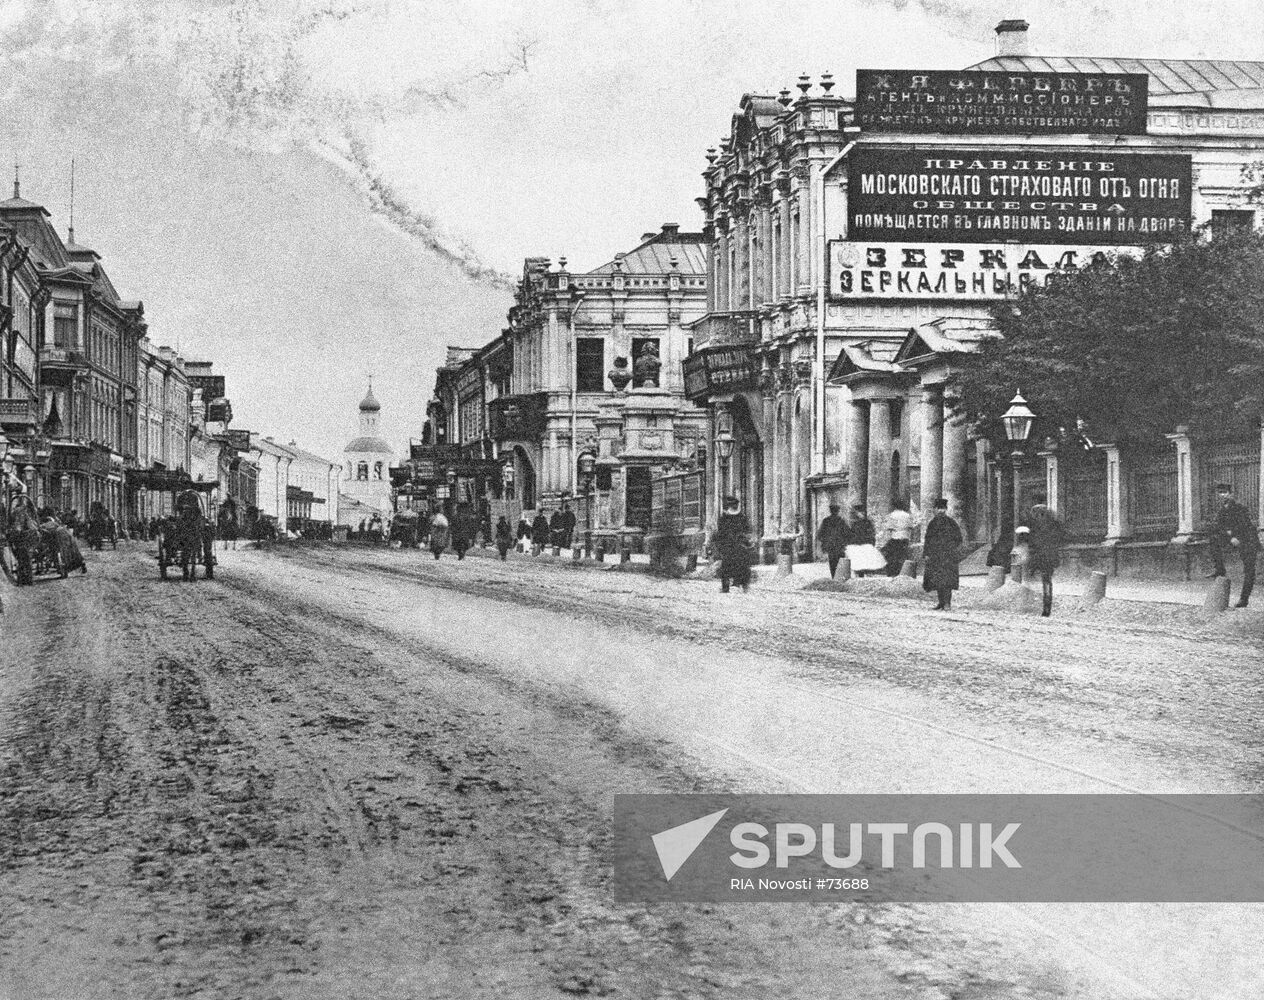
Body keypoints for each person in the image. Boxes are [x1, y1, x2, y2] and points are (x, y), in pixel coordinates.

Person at [1209, 483, 1258, 608]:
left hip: (1248, 541)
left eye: (1225, 492)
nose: (1222, 495)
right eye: (1220, 493)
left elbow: (1246, 526)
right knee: (1213, 538)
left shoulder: (1240, 508)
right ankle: (1219, 569)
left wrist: (1236, 535)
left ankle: (1244, 599)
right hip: (1233, 539)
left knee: (1249, 570)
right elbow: (1217, 527)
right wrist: (1229, 535)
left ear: (1231, 494)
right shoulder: (1221, 511)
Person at [1022, 496, 1066, 617]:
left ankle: (1029, 603)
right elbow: (1061, 538)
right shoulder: (1055, 524)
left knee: (1030, 578)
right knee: (1047, 581)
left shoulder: (1033, 525)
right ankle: (1046, 608)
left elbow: (1027, 539)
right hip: (1050, 557)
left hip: (1037, 557)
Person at [922, 497, 963, 611]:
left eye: (942, 509)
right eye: (939, 508)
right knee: (939, 580)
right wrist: (926, 554)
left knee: (946, 580)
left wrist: (951, 549)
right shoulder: (935, 523)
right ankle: (941, 603)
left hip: (945, 556)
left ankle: (947, 604)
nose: (940, 511)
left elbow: (959, 538)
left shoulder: (946, 523)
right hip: (940, 556)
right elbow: (928, 540)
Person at [714, 495, 752, 593]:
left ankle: (728, 586)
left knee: (728, 567)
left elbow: (719, 534)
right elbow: (746, 531)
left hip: (731, 547)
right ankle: (734, 585)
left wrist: (720, 547)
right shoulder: (741, 517)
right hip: (734, 547)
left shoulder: (723, 519)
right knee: (736, 566)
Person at [845, 505, 886, 576]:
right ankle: (860, 575)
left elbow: (871, 533)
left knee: (864, 563)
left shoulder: (866, 523)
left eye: (861, 513)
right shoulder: (856, 523)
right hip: (859, 545)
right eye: (859, 513)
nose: (860, 514)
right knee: (859, 564)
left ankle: (863, 574)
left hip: (864, 544)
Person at [881, 501, 914, 577]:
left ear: (894, 507)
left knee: (892, 557)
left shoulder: (892, 515)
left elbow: (889, 529)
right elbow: (910, 528)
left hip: (895, 538)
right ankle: (904, 573)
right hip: (905, 538)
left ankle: (892, 573)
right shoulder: (907, 515)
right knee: (902, 556)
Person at [818, 503, 848, 578]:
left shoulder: (826, 521)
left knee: (832, 563)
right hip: (839, 546)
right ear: (838, 511)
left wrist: (824, 544)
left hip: (830, 546)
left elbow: (820, 534)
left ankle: (834, 578)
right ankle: (840, 578)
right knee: (840, 562)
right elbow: (847, 533)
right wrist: (845, 544)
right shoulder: (841, 521)